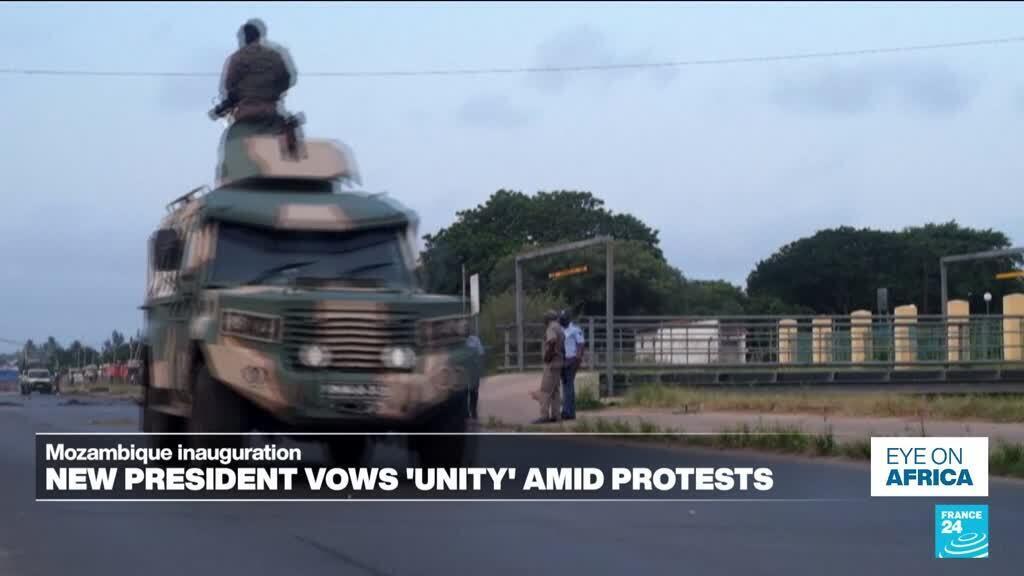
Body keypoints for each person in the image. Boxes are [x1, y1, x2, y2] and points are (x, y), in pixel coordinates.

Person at [530, 310, 564, 423]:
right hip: (559, 362)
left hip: (552, 362)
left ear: (547, 319)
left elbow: (552, 340)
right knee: (555, 390)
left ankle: (544, 416)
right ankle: (556, 415)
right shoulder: (560, 327)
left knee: (545, 390)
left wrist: (548, 356)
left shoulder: (551, 328)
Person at [559, 310, 586, 420]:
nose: (562, 319)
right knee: (566, 386)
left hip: (572, 360)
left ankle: (567, 411)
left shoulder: (575, 330)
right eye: (561, 318)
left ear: (568, 318)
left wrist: (577, 359)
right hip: (562, 360)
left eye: (564, 318)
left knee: (568, 385)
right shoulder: (560, 330)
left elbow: (581, 344)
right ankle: (570, 412)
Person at [465, 333, 485, 421]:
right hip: (463, 369)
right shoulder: (458, 341)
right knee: (464, 392)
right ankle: (465, 412)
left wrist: (479, 367)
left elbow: (481, 353)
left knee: (474, 390)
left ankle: (473, 411)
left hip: (473, 367)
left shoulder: (475, 339)